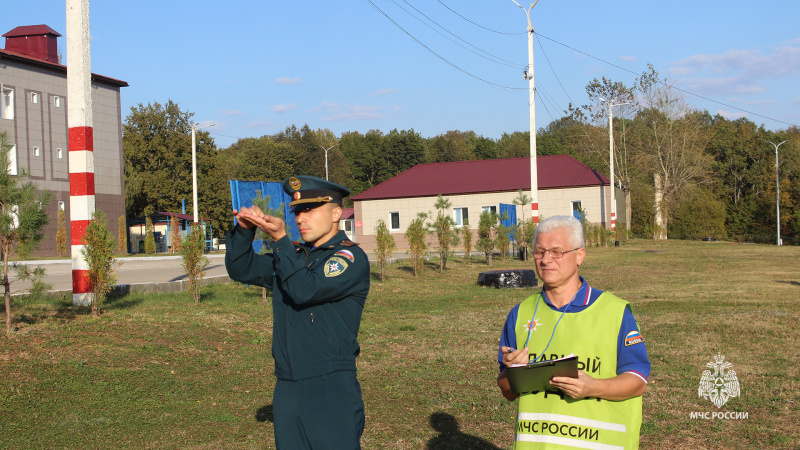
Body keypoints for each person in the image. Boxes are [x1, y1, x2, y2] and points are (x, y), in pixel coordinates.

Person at [225, 175, 370, 449]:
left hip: (328, 383)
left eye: (310, 210)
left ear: (336, 213)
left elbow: (305, 290)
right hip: (288, 382)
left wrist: (280, 239)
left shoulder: (348, 258)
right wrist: (244, 231)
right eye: (298, 211)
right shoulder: (296, 255)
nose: (301, 218)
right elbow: (241, 269)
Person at [496, 215, 650, 449]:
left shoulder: (615, 312)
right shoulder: (520, 314)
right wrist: (512, 371)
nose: (546, 260)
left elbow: (638, 381)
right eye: (540, 252)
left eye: (557, 251)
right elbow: (507, 390)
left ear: (580, 255)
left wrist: (594, 387)